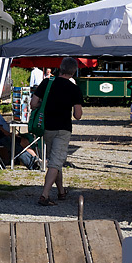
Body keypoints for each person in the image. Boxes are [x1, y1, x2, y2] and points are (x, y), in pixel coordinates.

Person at [31, 56, 84, 206]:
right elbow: (78, 115)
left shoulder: (47, 83)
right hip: (63, 129)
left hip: (47, 127)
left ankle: (61, 192)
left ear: (60, 68)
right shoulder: (74, 89)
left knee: (55, 161)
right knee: (55, 163)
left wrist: (45, 104)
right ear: (73, 72)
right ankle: (44, 195)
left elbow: (33, 103)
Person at [0, 94, 40, 170]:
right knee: (15, 145)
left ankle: (33, 161)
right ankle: (32, 163)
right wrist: (8, 134)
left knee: (16, 144)